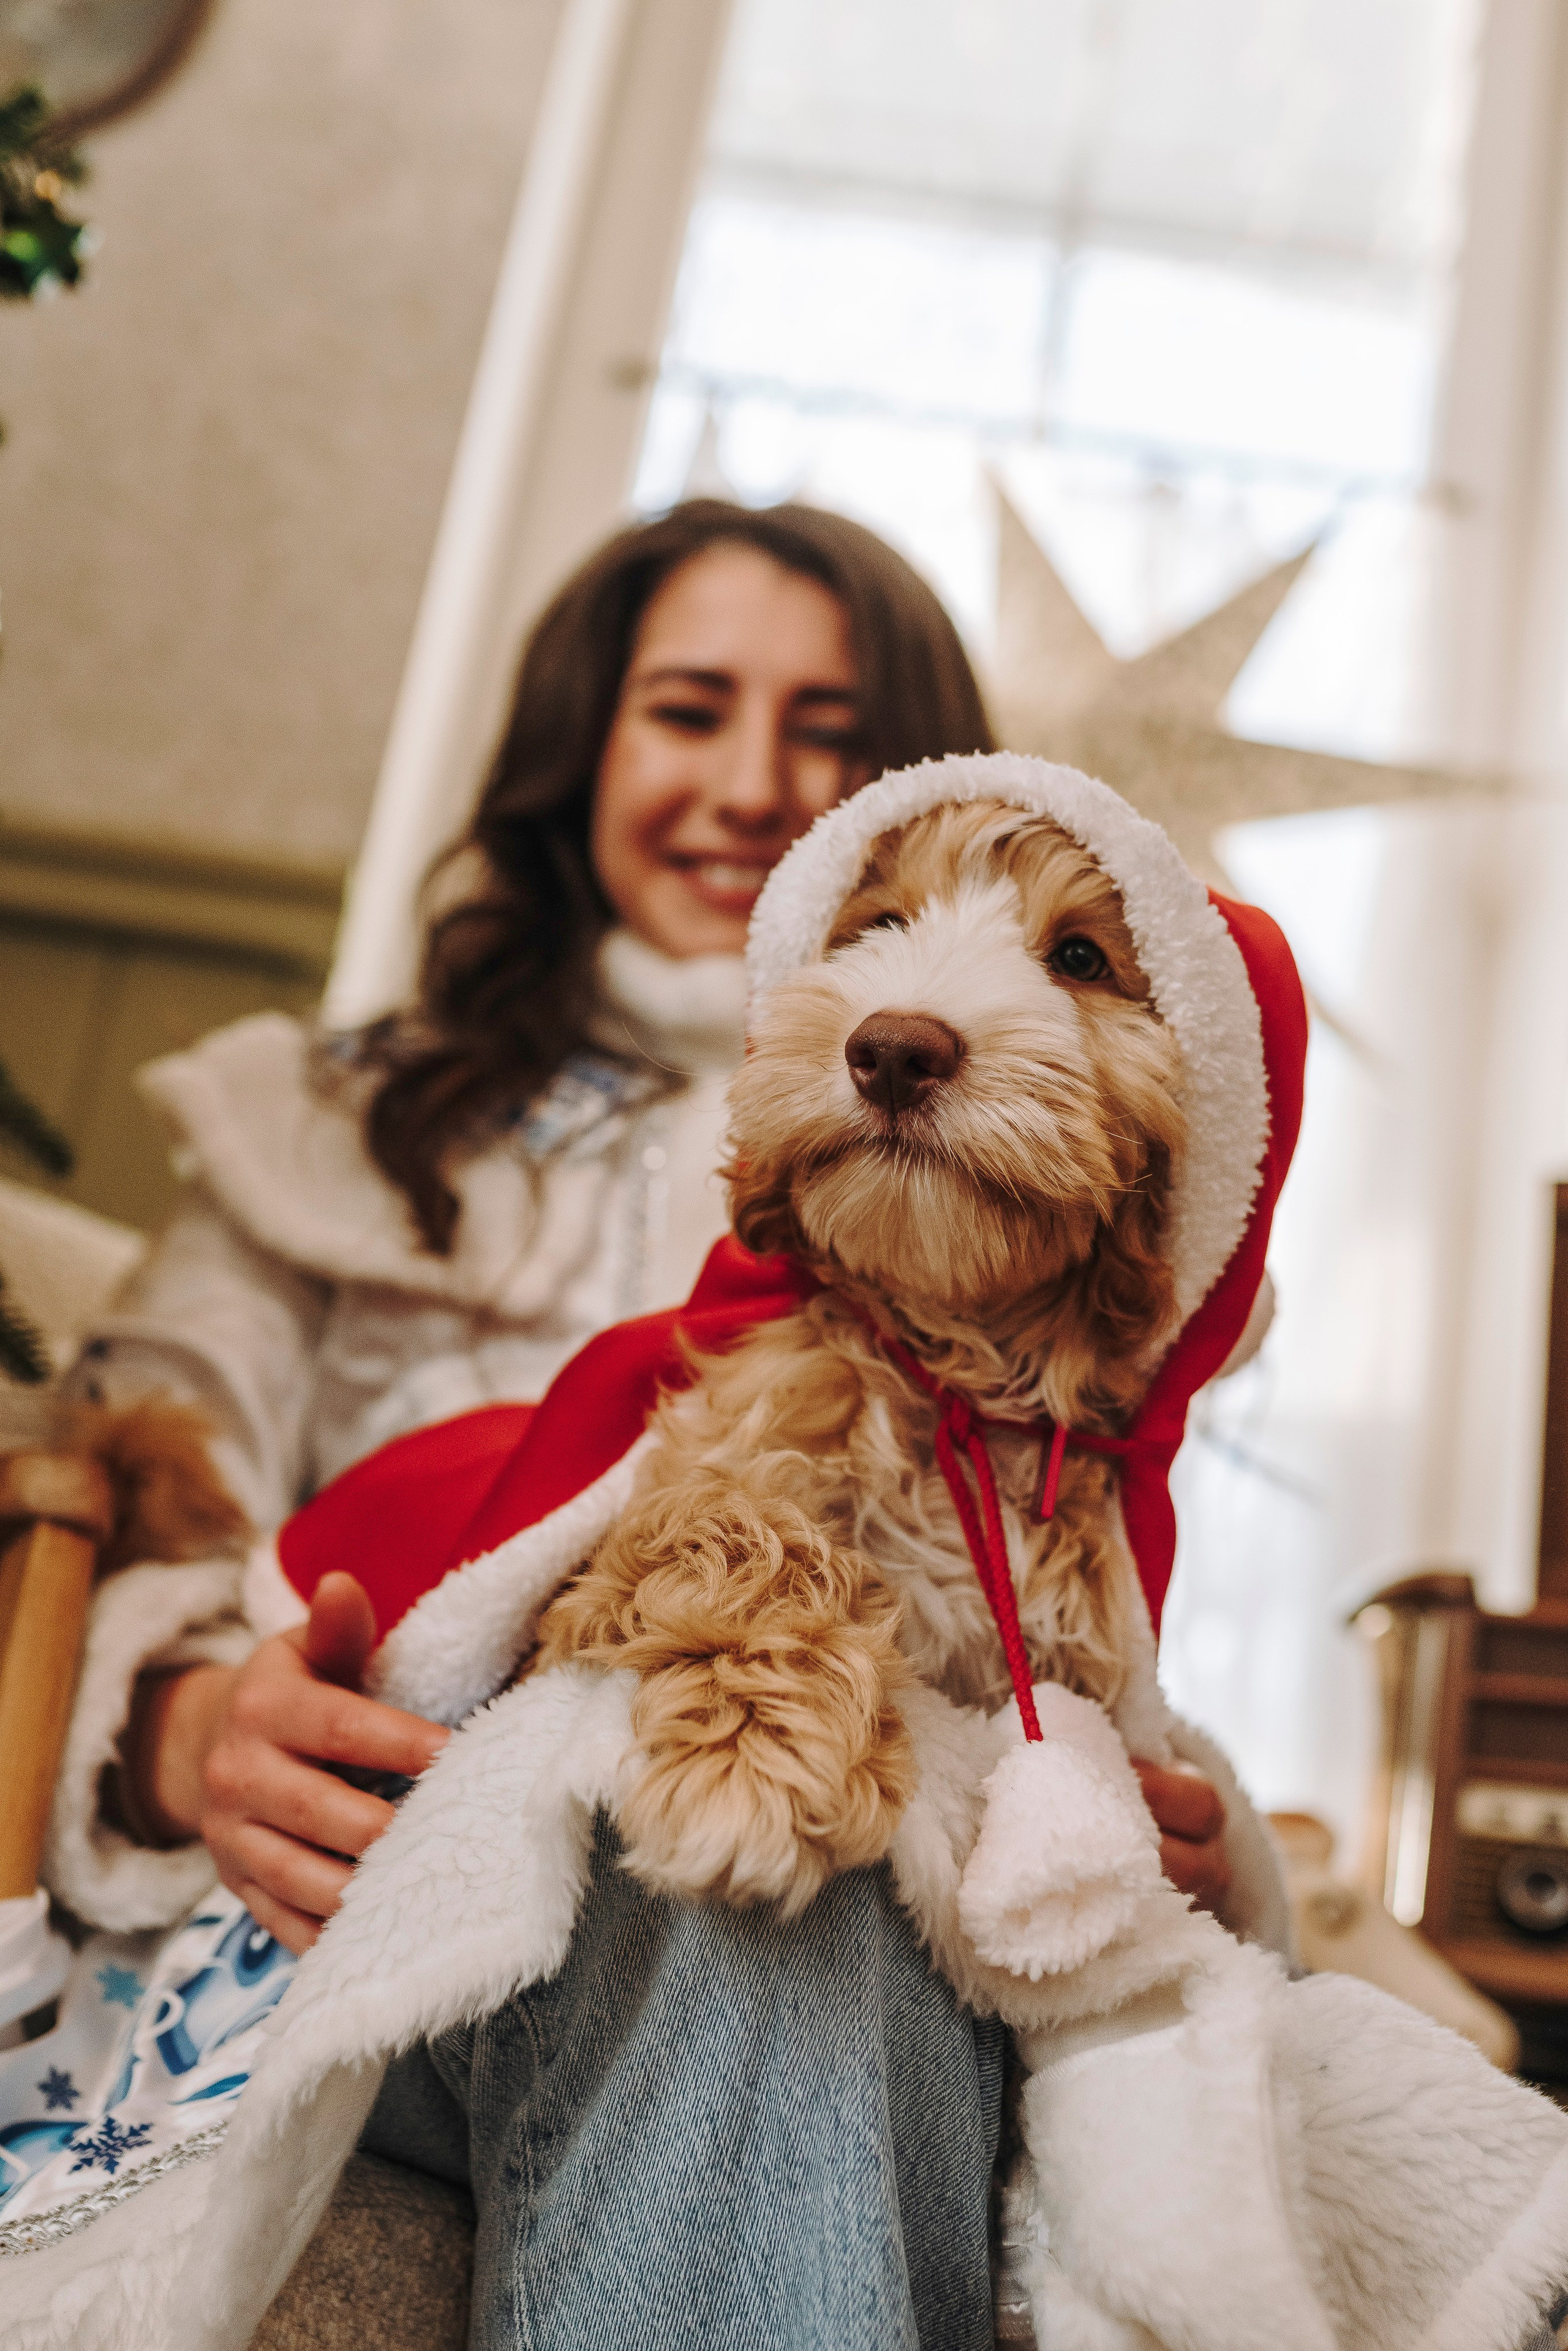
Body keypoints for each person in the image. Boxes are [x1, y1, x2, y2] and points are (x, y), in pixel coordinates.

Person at [31, 499, 1239, 2345]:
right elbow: (124, 1488)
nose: (752, 779)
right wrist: (188, 1725)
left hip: (875, 1928)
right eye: (688, 708)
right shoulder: (337, 1120)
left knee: (798, 1819)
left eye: (827, 730)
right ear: (581, 743)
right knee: (714, 1795)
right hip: (366, 1900)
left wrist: (1151, 1833)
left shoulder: (1021, 1140)